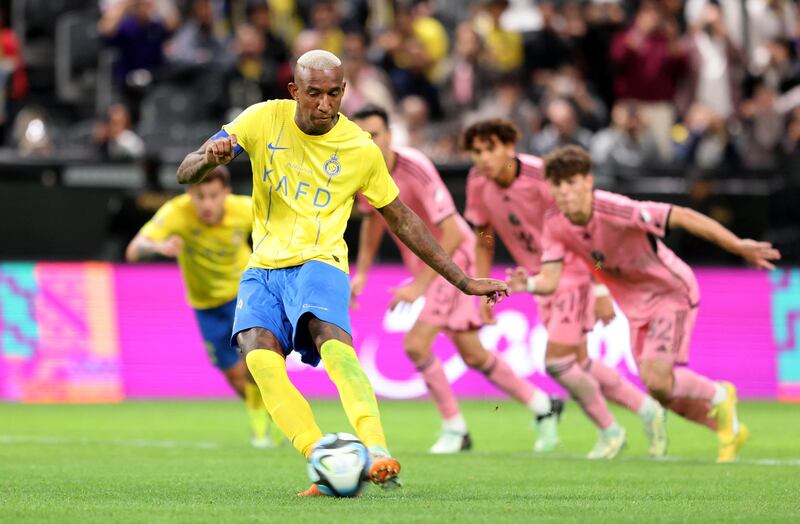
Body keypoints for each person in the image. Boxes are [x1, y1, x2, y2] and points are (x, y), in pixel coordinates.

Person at [175, 50, 507, 495]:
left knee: (334, 348)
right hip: (264, 268)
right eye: (314, 94)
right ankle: (322, 460)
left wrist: (463, 281)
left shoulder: (359, 149)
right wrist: (210, 159)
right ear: (294, 91)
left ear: (344, 91)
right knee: (258, 361)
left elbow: (402, 218)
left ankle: (376, 449)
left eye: (334, 93)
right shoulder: (260, 120)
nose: (325, 104)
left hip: (322, 261)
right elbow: (186, 171)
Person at [509, 144, 781, 462]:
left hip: (670, 292)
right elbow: (556, 277)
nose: (565, 192)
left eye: (572, 183)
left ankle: (721, 393)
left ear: (588, 181)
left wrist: (737, 245)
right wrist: (526, 284)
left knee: (657, 378)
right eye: (558, 185)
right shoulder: (555, 223)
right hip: (635, 306)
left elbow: (682, 215)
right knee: (660, 392)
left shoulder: (616, 209)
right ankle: (726, 428)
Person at [351, 106, 561, 454]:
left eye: (376, 135)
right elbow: (374, 219)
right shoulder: (363, 170)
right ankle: (544, 405)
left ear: (391, 135)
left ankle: (455, 429)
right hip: (431, 266)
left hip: (453, 259)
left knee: (416, 344)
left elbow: (450, 232)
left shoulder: (415, 167)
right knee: (473, 354)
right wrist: (361, 272)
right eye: (363, 136)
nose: (370, 142)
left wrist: (419, 285)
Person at [462, 120, 667, 459]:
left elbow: (589, 231)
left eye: (490, 148)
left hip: (574, 271)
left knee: (557, 361)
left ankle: (609, 430)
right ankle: (647, 409)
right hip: (540, 281)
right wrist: (482, 286)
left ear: (509, 146)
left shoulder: (543, 178)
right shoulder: (477, 182)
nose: (483, 158)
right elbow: (484, 236)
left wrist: (601, 288)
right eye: (476, 151)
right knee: (580, 362)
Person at [125, 166, 277, 448]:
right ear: (189, 194)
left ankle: (268, 429)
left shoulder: (244, 208)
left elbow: (282, 226)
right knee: (234, 377)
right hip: (205, 305)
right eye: (199, 196)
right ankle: (267, 413)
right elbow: (134, 250)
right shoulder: (176, 212)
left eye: (213, 196)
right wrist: (157, 248)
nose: (207, 204)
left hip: (244, 295)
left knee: (255, 363)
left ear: (226, 194)